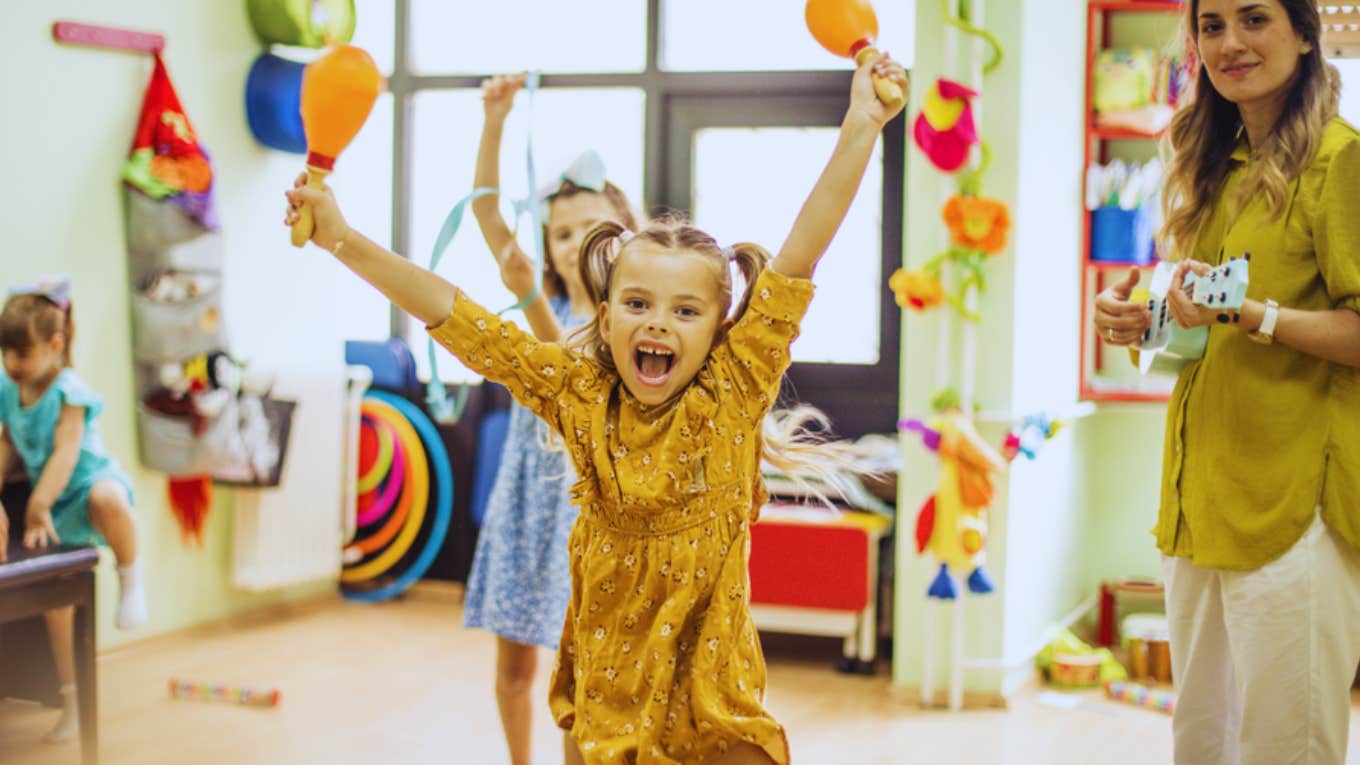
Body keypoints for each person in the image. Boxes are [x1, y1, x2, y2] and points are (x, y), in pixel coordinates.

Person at [286, 53, 907, 764]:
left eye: (685, 310)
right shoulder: (577, 392)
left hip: (715, 698)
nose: (658, 324)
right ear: (606, 314)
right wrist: (339, 235)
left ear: (718, 327)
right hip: (608, 696)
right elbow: (452, 312)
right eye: (638, 304)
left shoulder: (734, 388)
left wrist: (862, 123)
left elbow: (802, 250)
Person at [1093, 1, 1360, 761]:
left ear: (1305, 34)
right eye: (1212, 26)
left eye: (1254, 19)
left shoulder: (1343, 162)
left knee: (1286, 746)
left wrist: (1255, 313)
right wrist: (1143, 322)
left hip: (1293, 507)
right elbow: (1201, 329)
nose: (1231, 42)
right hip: (1198, 497)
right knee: (1200, 739)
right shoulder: (1214, 166)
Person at [467, 71, 639, 765]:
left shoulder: (632, 319)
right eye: (560, 232)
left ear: (628, 233)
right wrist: (495, 121)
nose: (574, 243)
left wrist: (527, 298)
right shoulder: (539, 295)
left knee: (585, 673)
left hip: (586, 513)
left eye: (592, 229)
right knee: (514, 668)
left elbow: (568, 366)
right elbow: (484, 214)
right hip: (525, 500)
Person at [0, 278, 147, 743]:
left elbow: (66, 453)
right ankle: (72, 697)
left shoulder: (70, 390)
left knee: (108, 499)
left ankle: (131, 573)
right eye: (5, 352)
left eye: (20, 353)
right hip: (56, 503)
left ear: (55, 345)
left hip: (86, 485)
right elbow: (6, 446)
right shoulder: (9, 390)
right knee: (57, 607)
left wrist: (38, 503)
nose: (10, 363)